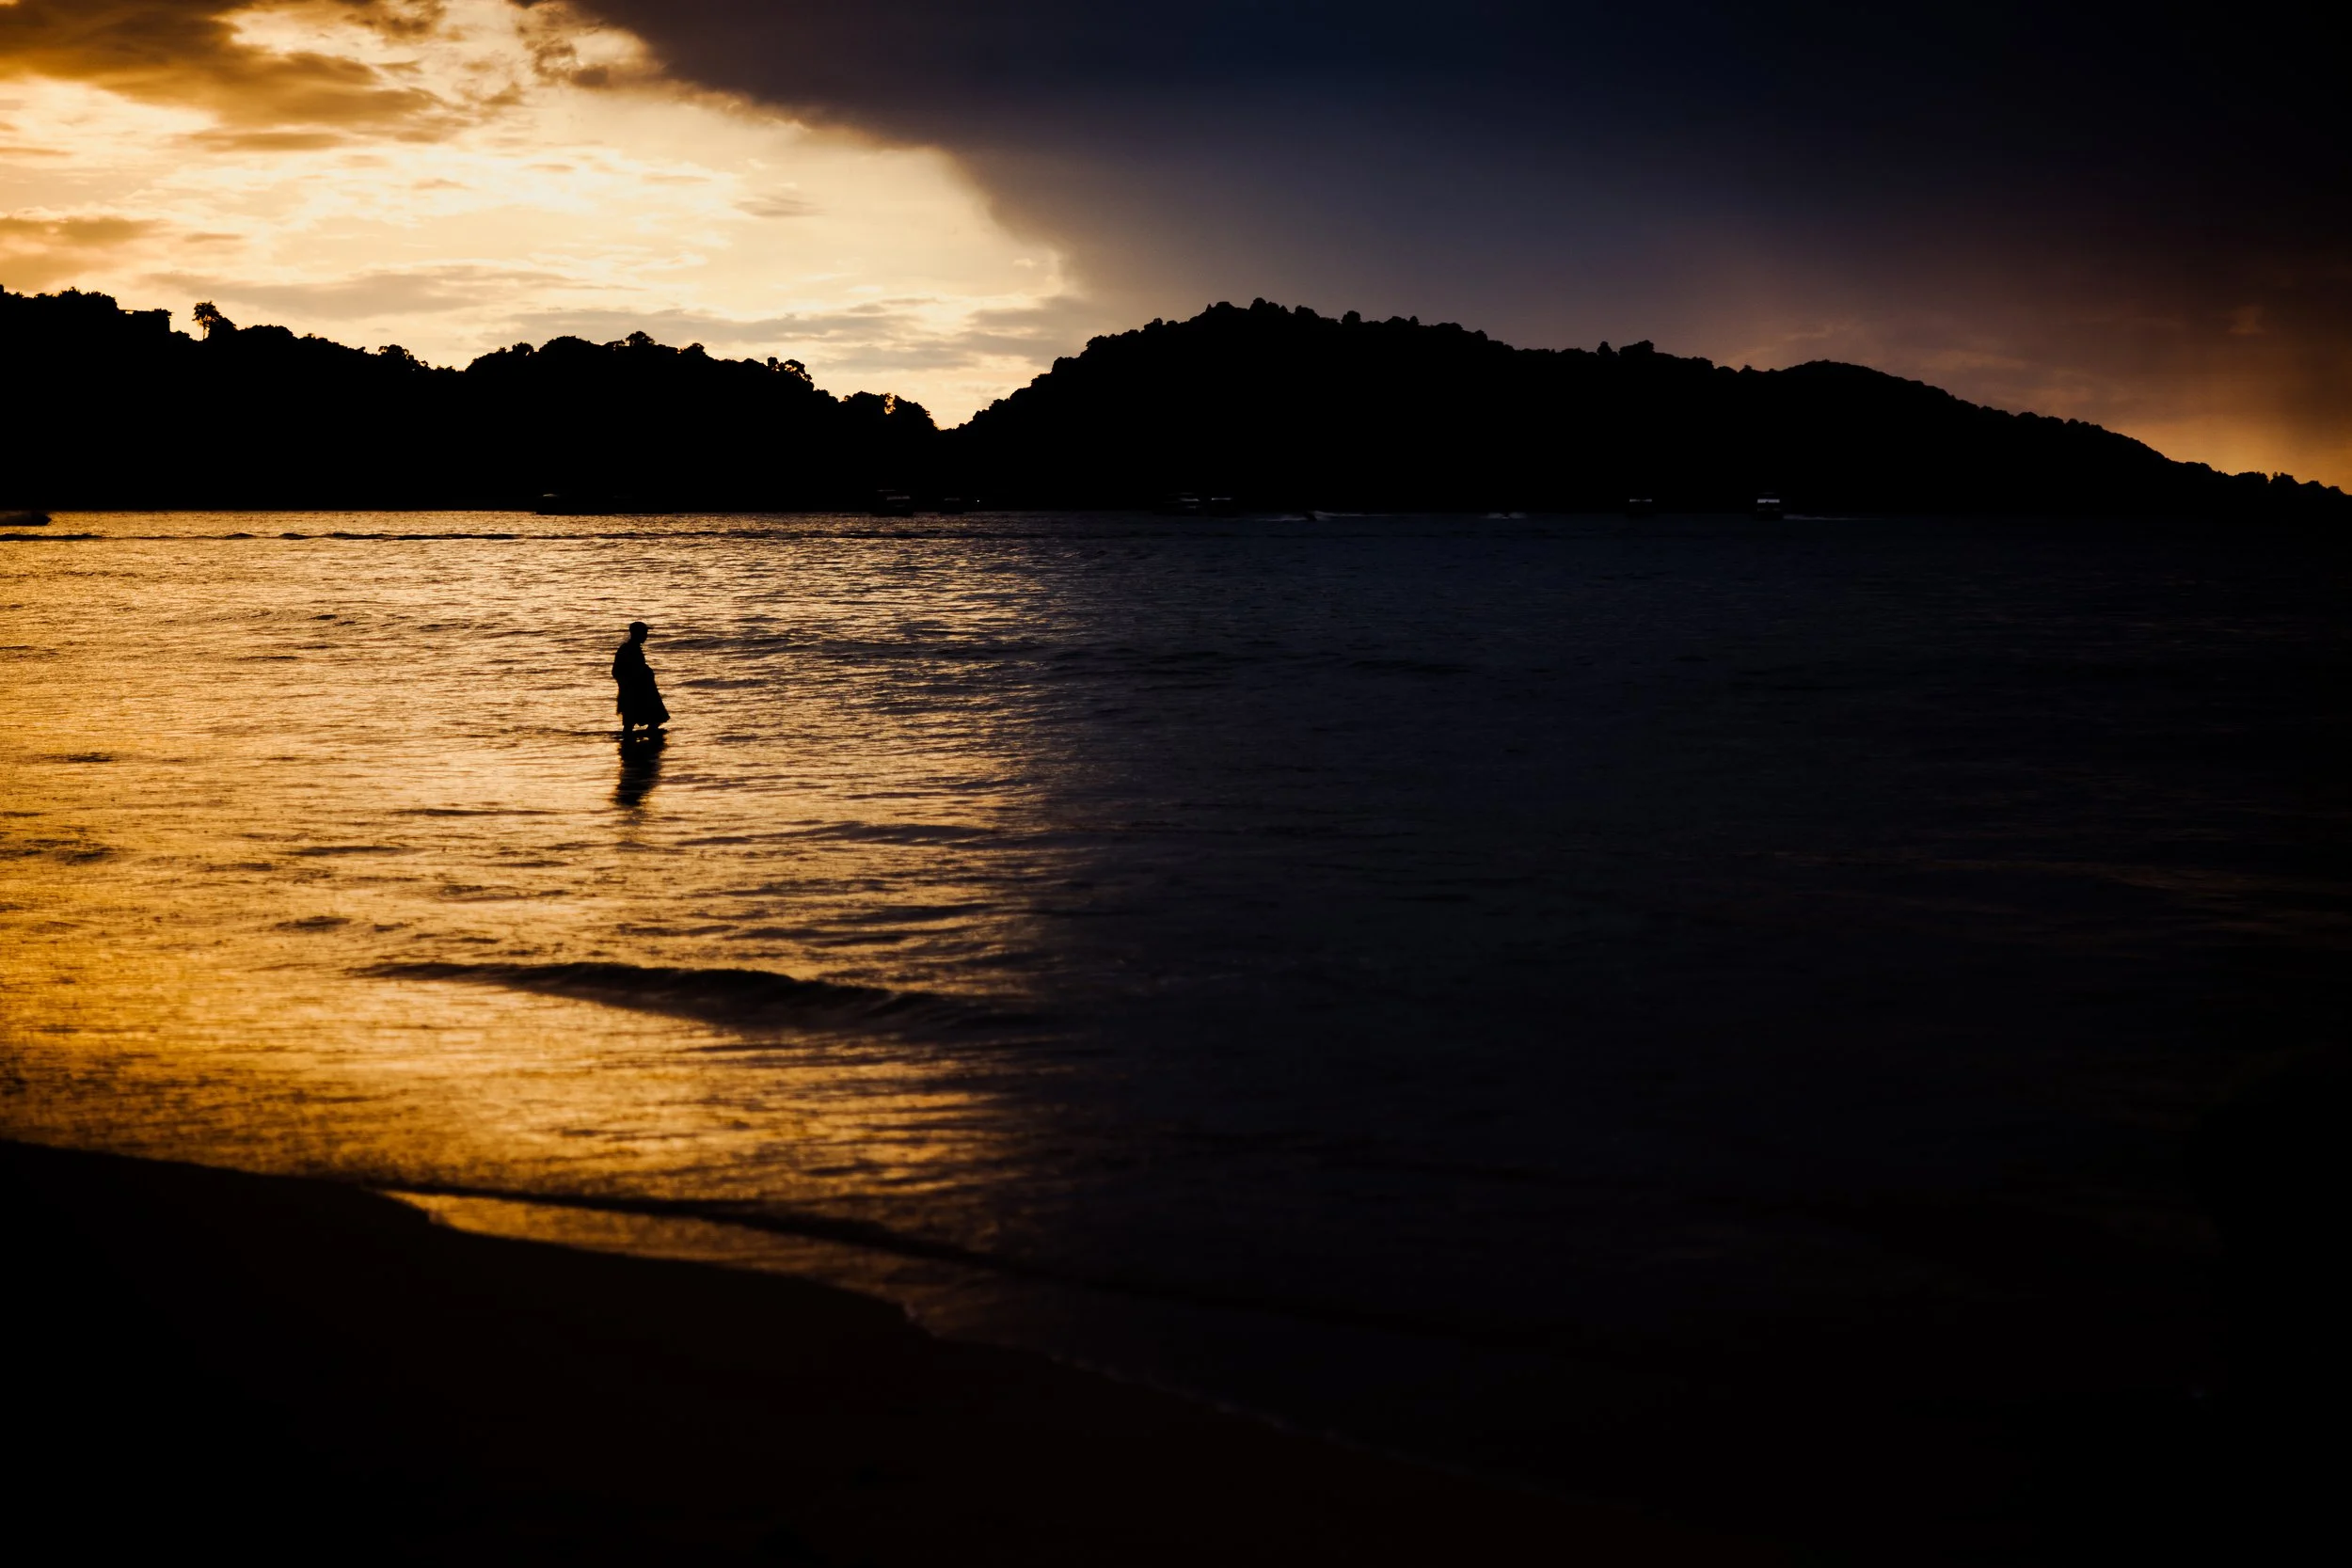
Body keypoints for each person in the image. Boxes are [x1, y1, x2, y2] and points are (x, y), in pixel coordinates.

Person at [612, 621, 670, 736]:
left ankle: (637, 742)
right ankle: (643, 742)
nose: (646, 636)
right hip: (637, 692)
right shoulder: (630, 650)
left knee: (635, 720)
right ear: (637, 634)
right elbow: (619, 672)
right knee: (645, 719)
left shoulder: (630, 649)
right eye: (644, 633)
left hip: (638, 691)